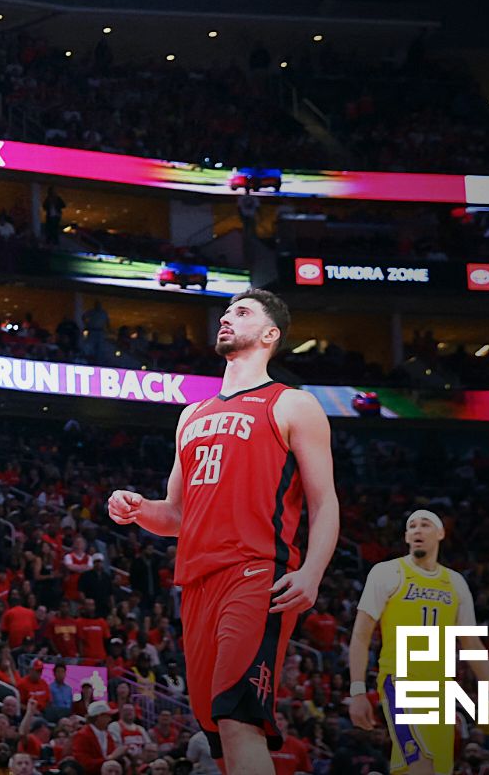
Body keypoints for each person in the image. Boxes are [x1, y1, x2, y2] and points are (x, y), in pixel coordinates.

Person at [108, 290, 339, 775]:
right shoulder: (190, 415)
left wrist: (313, 572)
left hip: (256, 572)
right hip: (195, 581)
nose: (226, 318)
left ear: (271, 334)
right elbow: (175, 515)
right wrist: (138, 509)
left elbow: (324, 502)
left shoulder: (294, 404)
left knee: (239, 718)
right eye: (226, 311)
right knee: (217, 732)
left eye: (242, 312)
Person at [346, 510, 489, 775]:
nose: (417, 530)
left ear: (440, 533)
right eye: (411, 526)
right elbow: (360, 635)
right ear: (406, 537)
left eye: (425, 525)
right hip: (402, 682)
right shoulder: (387, 572)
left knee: (433, 770)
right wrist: (357, 691)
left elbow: (471, 644)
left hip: (441, 692)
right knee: (422, 766)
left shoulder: (455, 582)